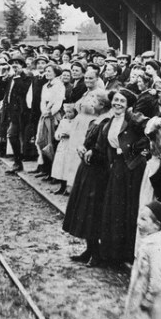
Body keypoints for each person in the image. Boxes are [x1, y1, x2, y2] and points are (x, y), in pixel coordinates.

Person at [98, 88, 149, 265]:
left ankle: (127, 252)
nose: (117, 104)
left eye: (122, 101)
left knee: (129, 206)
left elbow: (148, 134)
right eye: (115, 100)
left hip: (132, 166)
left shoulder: (133, 118)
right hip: (117, 165)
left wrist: (134, 150)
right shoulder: (110, 120)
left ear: (128, 105)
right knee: (115, 207)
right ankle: (113, 252)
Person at [63, 90, 112, 264]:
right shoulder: (96, 120)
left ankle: (96, 253)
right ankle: (89, 249)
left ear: (102, 105)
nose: (90, 103)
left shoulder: (107, 121)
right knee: (85, 209)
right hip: (87, 169)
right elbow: (88, 142)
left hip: (97, 172)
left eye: (94, 100)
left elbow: (104, 149)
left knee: (92, 211)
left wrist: (92, 152)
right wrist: (81, 148)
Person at [2, 58, 31, 174]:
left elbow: (23, 90)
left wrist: (18, 76)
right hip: (11, 111)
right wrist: (1, 74)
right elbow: (0, 88)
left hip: (22, 112)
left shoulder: (26, 77)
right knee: (12, 135)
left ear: (22, 65)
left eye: (17, 64)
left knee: (14, 135)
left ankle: (18, 161)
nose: (14, 65)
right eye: (13, 64)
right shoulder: (11, 77)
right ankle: (17, 161)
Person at [49, 102, 78, 194]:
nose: (68, 114)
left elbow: (78, 134)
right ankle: (62, 186)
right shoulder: (63, 122)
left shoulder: (77, 122)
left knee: (68, 166)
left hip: (71, 145)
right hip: (63, 145)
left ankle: (68, 188)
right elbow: (57, 134)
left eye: (70, 112)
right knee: (61, 166)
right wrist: (60, 135)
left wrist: (70, 135)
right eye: (67, 112)